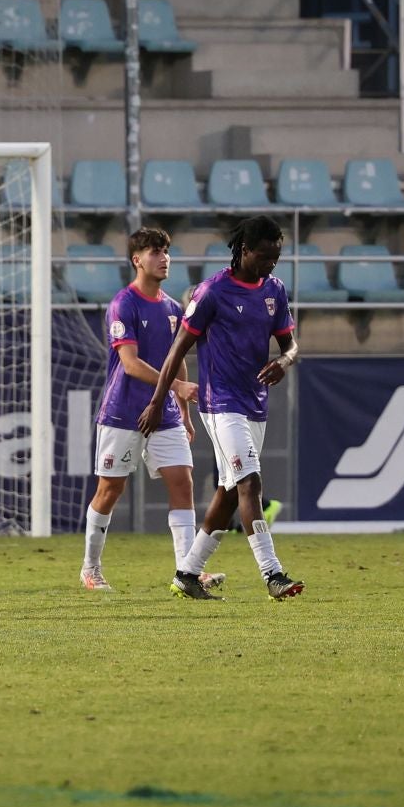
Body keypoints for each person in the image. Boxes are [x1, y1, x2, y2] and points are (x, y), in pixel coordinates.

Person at [139, 215, 304, 601]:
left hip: (255, 401)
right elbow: (177, 349)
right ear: (244, 251)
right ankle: (273, 575)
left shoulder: (275, 290)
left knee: (229, 492)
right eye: (264, 257)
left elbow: (291, 344)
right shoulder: (212, 292)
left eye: (276, 258)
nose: (270, 265)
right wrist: (158, 399)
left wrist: (285, 361)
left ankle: (188, 574)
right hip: (220, 402)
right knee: (250, 480)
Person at [80, 227, 223, 593]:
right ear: (137, 259)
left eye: (166, 251)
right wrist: (176, 387)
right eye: (156, 252)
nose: (164, 258)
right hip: (124, 411)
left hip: (165, 414)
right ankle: (90, 569)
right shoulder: (123, 304)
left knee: (182, 482)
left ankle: (187, 570)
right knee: (110, 490)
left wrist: (183, 412)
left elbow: (177, 360)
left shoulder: (174, 308)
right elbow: (129, 363)